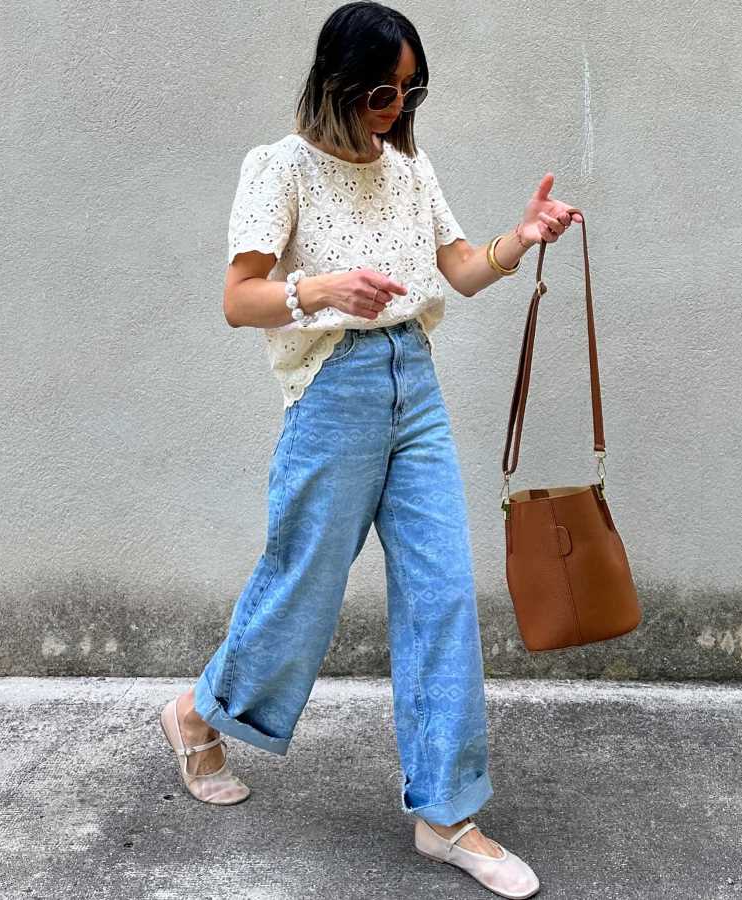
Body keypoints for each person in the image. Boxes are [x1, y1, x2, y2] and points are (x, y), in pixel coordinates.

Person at [160, 3, 579, 897]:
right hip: (334, 393)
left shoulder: (410, 167)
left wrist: (522, 237)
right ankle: (197, 710)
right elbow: (240, 299)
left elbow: (460, 270)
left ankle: (447, 814)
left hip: (413, 385)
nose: (396, 107)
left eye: (410, 89)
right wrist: (319, 289)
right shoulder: (279, 168)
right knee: (301, 585)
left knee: (442, 590)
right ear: (338, 82)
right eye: (384, 90)